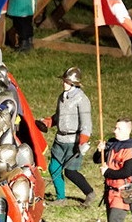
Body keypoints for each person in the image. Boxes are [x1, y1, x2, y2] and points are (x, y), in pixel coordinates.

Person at [37, 67, 96, 207]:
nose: (64, 83)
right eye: (64, 81)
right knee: (54, 168)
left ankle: (89, 193)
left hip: (73, 141)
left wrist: (83, 141)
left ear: (74, 83)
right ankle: (60, 197)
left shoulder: (82, 99)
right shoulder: (61, 97)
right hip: (60, 139)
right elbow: (58, 116)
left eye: (67, 81)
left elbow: (86, 123)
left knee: (70, 171)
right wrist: (48, 122)